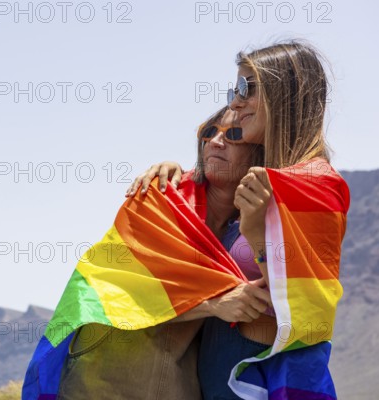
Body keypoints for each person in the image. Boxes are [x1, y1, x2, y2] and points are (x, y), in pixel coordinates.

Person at [126, 40, 347, 399]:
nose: (235, 102)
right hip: (215, 383)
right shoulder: (260, 185)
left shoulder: (315, 184)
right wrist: (180, 172)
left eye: (246, 88)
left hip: (261, 383)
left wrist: (257, 233)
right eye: (234, 89)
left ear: (285, 93)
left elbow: (310, 309)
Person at [56, 106, 270, 399]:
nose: (216, 142)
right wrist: (212, 304)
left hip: (177, 375)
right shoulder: (159, 197)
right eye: (210, 132)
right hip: (108, 363)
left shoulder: (251, 227)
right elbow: (121, 290)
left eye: (234, 135)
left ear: (259, 155)